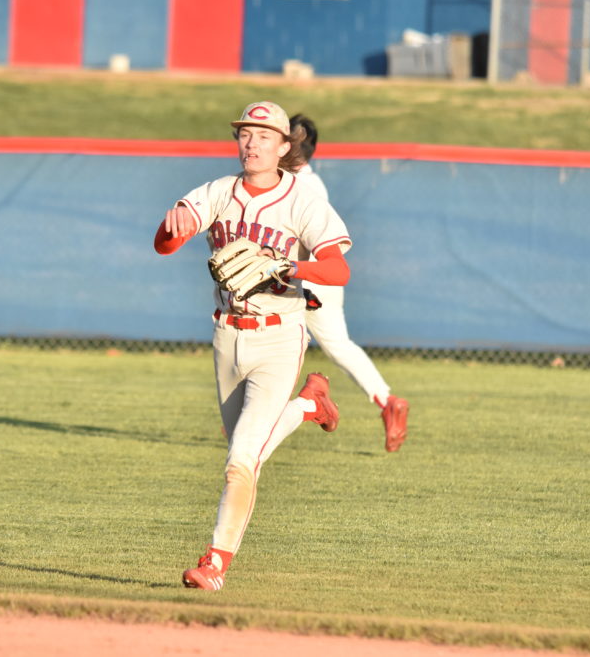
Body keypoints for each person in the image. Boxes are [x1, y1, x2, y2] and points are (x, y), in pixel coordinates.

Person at [154, 101, 352, 591]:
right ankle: (308, 405)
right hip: (226, 336)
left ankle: (215, 564)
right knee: (246, 454)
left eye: (264, 136)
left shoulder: (302, 201)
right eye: (245, 134)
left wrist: (289, 267)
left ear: (284, 147)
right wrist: (173, 225)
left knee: (241, 460)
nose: (252, 143)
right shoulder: (218, 192)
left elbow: (338, 269)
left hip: (279, 336)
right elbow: (165, 244)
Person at [289, 114, 410, 453]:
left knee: (277, 343)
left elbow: (313, 243)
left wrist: (308, 289)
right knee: (337, 346)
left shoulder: (301, 185)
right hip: (312, 278)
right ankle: (387, 401)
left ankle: (257, 413)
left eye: (291, 138)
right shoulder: (299, 181)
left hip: (309, 280)